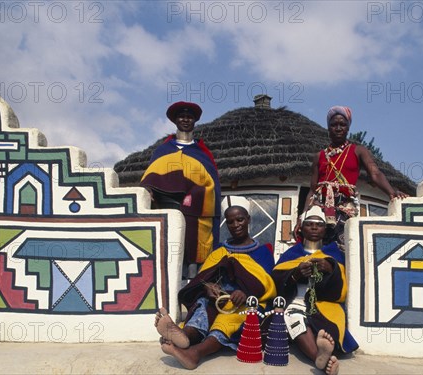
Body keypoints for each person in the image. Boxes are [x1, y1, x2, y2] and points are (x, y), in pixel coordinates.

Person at [154, 197, 276, 370]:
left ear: (248, 219)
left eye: (240, 219)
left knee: (228, 318)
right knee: (202, 305)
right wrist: (208, 287)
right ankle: (184, 335)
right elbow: (204, 276)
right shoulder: (220, 251)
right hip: (221, 299)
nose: (236, 225)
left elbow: (267, 284)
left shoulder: (263, 252)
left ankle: (196, 353)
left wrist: (246, 294)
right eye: (231, 222)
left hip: (249, 303)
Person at [295, 105, 409, 247]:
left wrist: (392, 192)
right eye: (334, 125)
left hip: (345, 209)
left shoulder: (358, 151)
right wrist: (303, 216)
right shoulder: (319, 156)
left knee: (343, 250)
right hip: (320, 210)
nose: (338, 128)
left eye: (342, 125)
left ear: (348, 128)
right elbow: (312, 190)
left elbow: (375, 173)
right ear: (328, 128)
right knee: (313, 250)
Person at [270, 206, 358, 375]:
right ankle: (320, 358)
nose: (314, 228)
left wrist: (330, 268)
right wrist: (295, 274)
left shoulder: (334, 253)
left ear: (325, 229)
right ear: (301, 228)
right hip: (296, 300)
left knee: (329, 324)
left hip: (323, 302)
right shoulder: (291, 253)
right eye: (310, 224)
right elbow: (276, 279)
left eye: (319, 225)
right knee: (293, 318)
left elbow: (342, 286)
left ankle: (323, 350)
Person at [141, 101, 221, 278]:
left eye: (189, 117)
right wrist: (150, 190)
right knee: (168, 251)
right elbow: (150, 177)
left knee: (193, 255)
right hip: (167, 209)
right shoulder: (162, 151)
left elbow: (212, 185)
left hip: (196, 212)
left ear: (195, 121)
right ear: (175, 120)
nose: (186, 120)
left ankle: (192, 284)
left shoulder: (202, 153)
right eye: (182, 116)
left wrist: (193, 196)